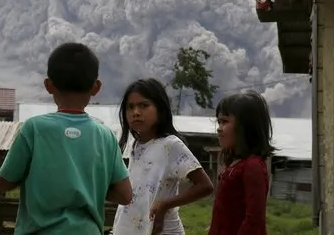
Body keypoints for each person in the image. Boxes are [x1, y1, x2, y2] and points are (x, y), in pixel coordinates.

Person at [0, 42, 133, 234]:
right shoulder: (106, 136)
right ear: (96, 87)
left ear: (49, 85)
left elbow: (4, 182)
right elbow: (125, 195)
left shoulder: (34, 129)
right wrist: (90, 186)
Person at [112, 78, 214, 235]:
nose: (136, 112)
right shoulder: (136, 146)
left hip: (162, 229)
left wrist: (165, 204)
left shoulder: (170, 145)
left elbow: (205, 186)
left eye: (144, 105)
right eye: (130, 107)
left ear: (160, 109)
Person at [208, 90, 275, 235]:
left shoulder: (252, 166)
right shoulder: (234, 164)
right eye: (218, 122)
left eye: (225, 121)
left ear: (245, 127)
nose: (219, 128)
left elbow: (254, 220)